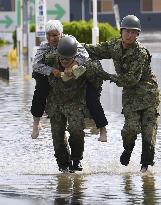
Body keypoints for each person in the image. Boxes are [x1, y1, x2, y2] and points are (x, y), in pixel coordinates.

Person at [85, 15, 160, 172]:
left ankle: (145, 168)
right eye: (127, 31)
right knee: (130, 129)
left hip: (149, 96)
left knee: (148, 135)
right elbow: (95, 50)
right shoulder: (114, 46)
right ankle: (128, 149)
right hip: (131, 98)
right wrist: (73, 45)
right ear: (121, 31)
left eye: (133, 32)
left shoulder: (140, 53)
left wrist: (107, 76)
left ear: (137, 35)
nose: (129, 35)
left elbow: (131, 80)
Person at [31, 19, 108, 142]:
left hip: (75, 75)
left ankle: (102, 129)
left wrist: (73, 65)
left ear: (61, 34)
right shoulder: (45, 47)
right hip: (55, 77)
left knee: (92, 97)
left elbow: (84, 55)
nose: (52, 39)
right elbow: (35, 64)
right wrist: (51, 70)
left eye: (55, 35)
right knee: (40, 90)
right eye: (49, 35)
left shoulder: (69, 41)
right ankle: (36, 123)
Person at [44, 36, 111, 172]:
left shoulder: (84, 64)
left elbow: (96, 81)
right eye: (61, 59)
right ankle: (63, 165)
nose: (63, 62)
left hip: (75, 102)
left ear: (75, 56)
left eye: (67, 59)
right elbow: (38, 72)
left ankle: (76, 160)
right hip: (55, 102)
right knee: (57, 135)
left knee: (76, 131)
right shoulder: (50, 60)